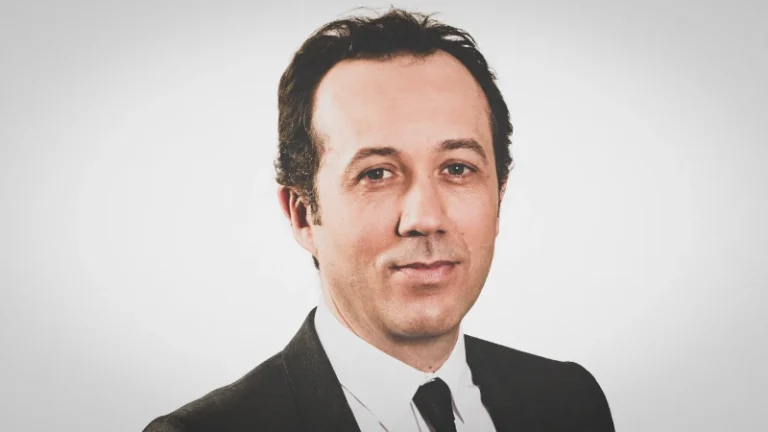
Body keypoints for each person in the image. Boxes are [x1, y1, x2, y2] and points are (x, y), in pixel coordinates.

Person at [144, 8, 615, 432]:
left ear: (499, 199)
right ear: (303, 214)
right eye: (376, 174)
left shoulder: (570, 401)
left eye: (457, 168)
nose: (425, 218)